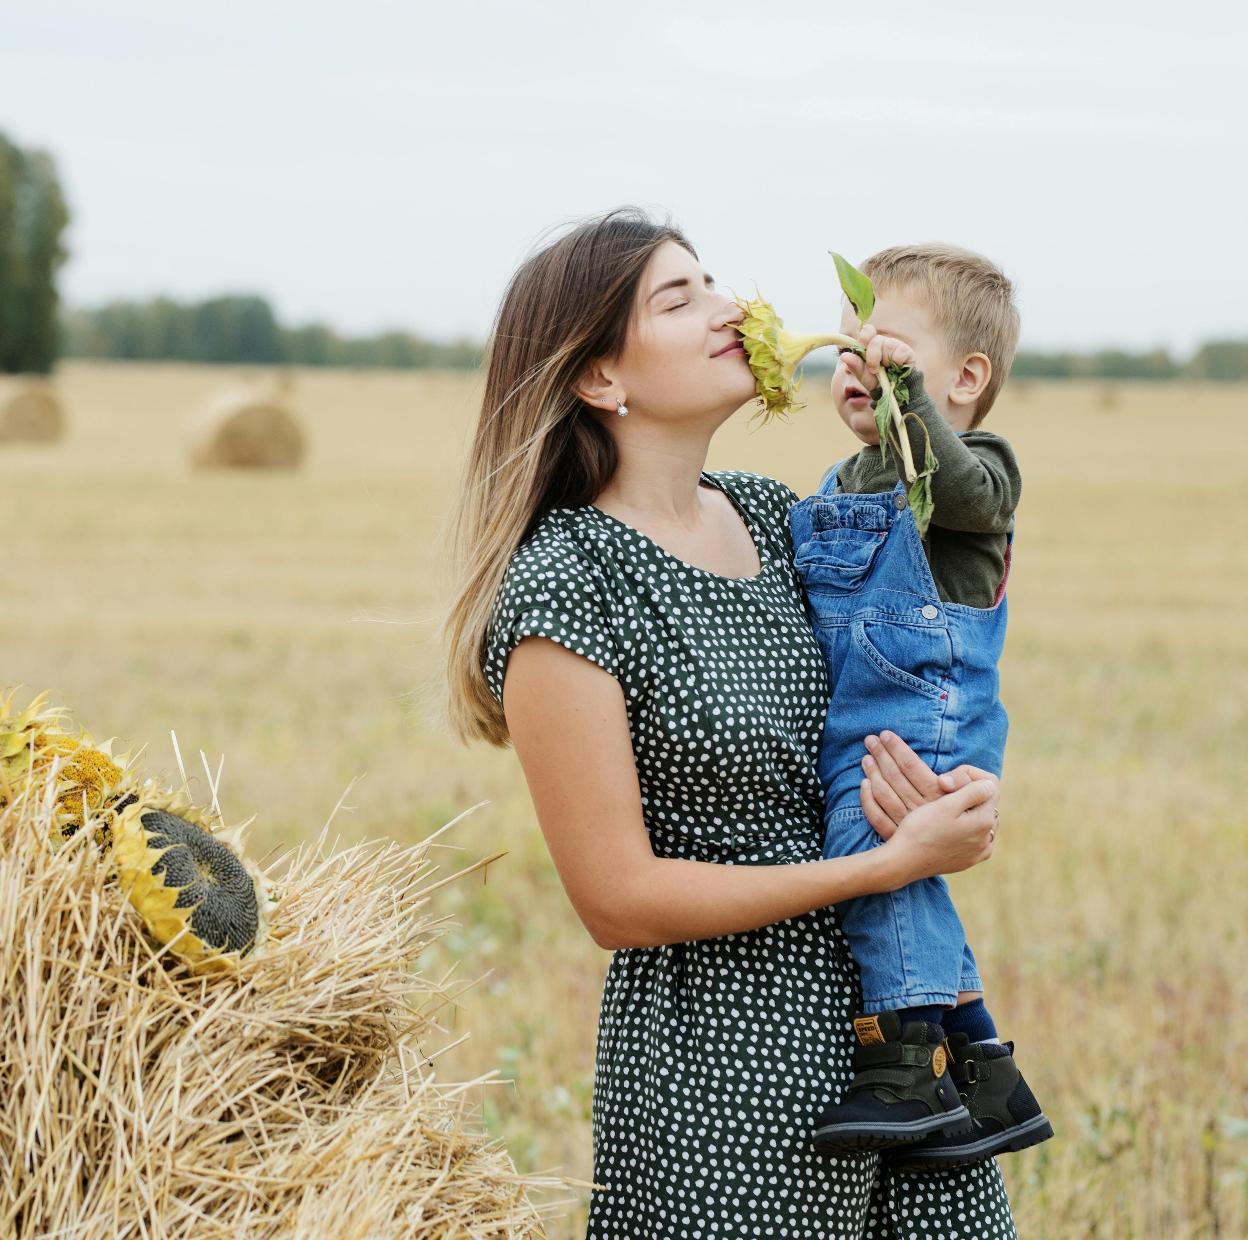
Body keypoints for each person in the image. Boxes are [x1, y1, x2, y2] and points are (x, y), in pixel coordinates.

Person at [445, 208, 1017, 1237]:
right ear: (601, 379)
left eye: (714, 282)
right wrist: (881, 868)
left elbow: (909, 659)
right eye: (680, 297)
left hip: (898, 1043)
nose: (732, 307)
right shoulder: (566, 588)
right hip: (730, 1075)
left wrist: (953, 783)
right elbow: (618, 899)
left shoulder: (769, 513)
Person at [789, 245, 1053, 1168]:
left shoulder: (980, 469)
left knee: (880, 862)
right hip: (872, 712)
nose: (859, 367)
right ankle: (982, 1061)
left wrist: (911, 402)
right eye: (851, 352)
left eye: (888, 347)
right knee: (910, 875)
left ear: (967, 377)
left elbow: (958, 491)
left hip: (932, 711)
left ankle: (904, 1059)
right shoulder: (837, 484)